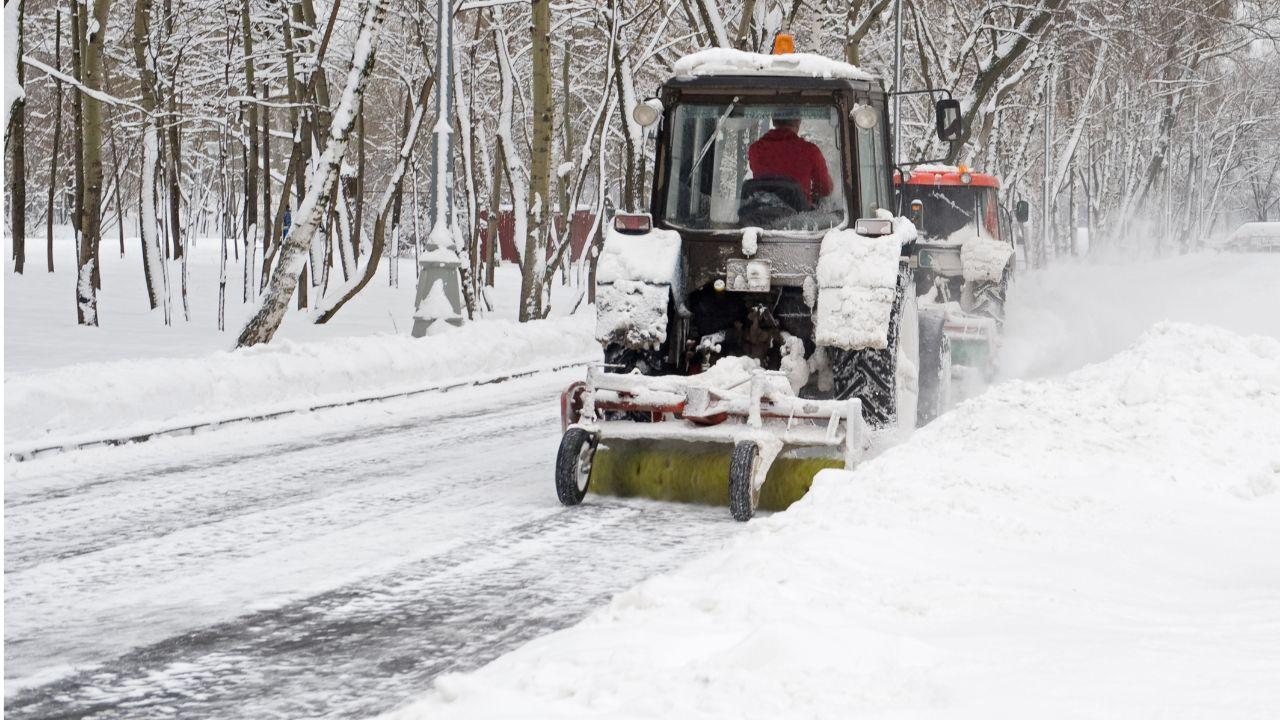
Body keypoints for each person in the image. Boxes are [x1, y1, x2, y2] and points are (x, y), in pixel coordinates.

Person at [747, 116, 833, 208]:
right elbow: (824, 189)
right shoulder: (810, 151)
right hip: (799, 219)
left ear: (774, 121)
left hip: (760, 217)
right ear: (798, 122)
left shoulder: (755, 149)